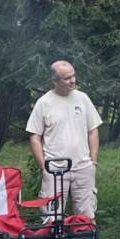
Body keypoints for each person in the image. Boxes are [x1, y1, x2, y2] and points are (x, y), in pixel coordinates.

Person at [26, 60, 101, 217]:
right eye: (67, 78)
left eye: (73, 76)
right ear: (54, 81)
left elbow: (93, 131)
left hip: (83, 168)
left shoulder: (83, 99)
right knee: (52, 218)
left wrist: (92, 162)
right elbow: (35, 137)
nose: (72, 80)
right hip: (54, 169)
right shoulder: (44, 103)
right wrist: (43, 166)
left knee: (86, 218)